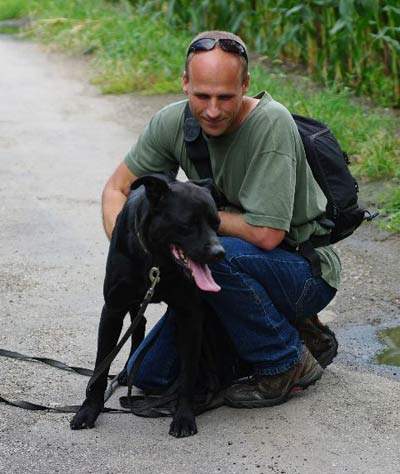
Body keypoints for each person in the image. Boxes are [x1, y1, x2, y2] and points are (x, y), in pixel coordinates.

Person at [101, 30, 341, 408]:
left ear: (245, 85)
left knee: (214, 253)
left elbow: (266, 234)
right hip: (235, 269)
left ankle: (285, 361)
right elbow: (116, 190)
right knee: (149, 374)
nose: (212, 110)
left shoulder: (271, 124)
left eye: (225, 97)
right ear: (185, 83)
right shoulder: (172, 122)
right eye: (202, 96)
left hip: (301, 270)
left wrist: (187, 223)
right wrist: (136, 249)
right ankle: (275, 328)